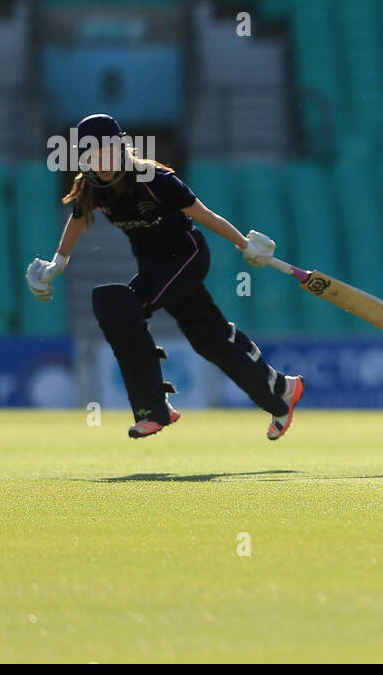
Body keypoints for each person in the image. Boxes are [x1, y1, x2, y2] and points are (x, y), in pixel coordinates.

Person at [25, 113, 305, 439]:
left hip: (187, 256)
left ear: (121, 148)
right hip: (154, 266)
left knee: (118, 305)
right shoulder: (93, 186)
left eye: (104, 153)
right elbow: (77, 219)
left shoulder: (154, 179)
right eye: (89, 156)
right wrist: (57, 263)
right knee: (209, 339)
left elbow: (204, 215)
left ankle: (154, 410)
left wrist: (245, 245)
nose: (98, 163)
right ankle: (281, 391)